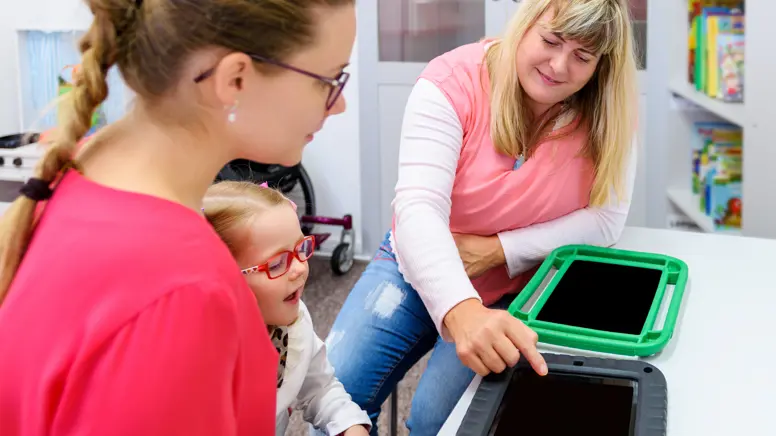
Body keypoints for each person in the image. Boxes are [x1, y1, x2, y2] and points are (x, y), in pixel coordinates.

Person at [0, 0, 355, 434]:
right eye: (328, 81)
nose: (339, 106)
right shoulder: (185, 293)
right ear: (235, 79)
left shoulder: (73, 173)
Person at [320, 0, 639, 434]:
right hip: (413, 265)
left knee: (445, 423)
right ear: (525, 26)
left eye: (583, 57)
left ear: (602, 65)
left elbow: (605, 221)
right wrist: (461, 309)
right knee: (337, 394)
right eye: (550, 41)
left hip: (517, 287)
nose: (559, 66)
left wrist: (497, 251)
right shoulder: (452, 80)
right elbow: (418, 208)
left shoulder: (609, 112)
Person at [203, 181, 371, 436]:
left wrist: (349, 423)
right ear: (223, 279)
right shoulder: (198, 361)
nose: (301, 268)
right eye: (278, 263)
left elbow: (319, 388)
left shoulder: (293, 323)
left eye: (301, 248)